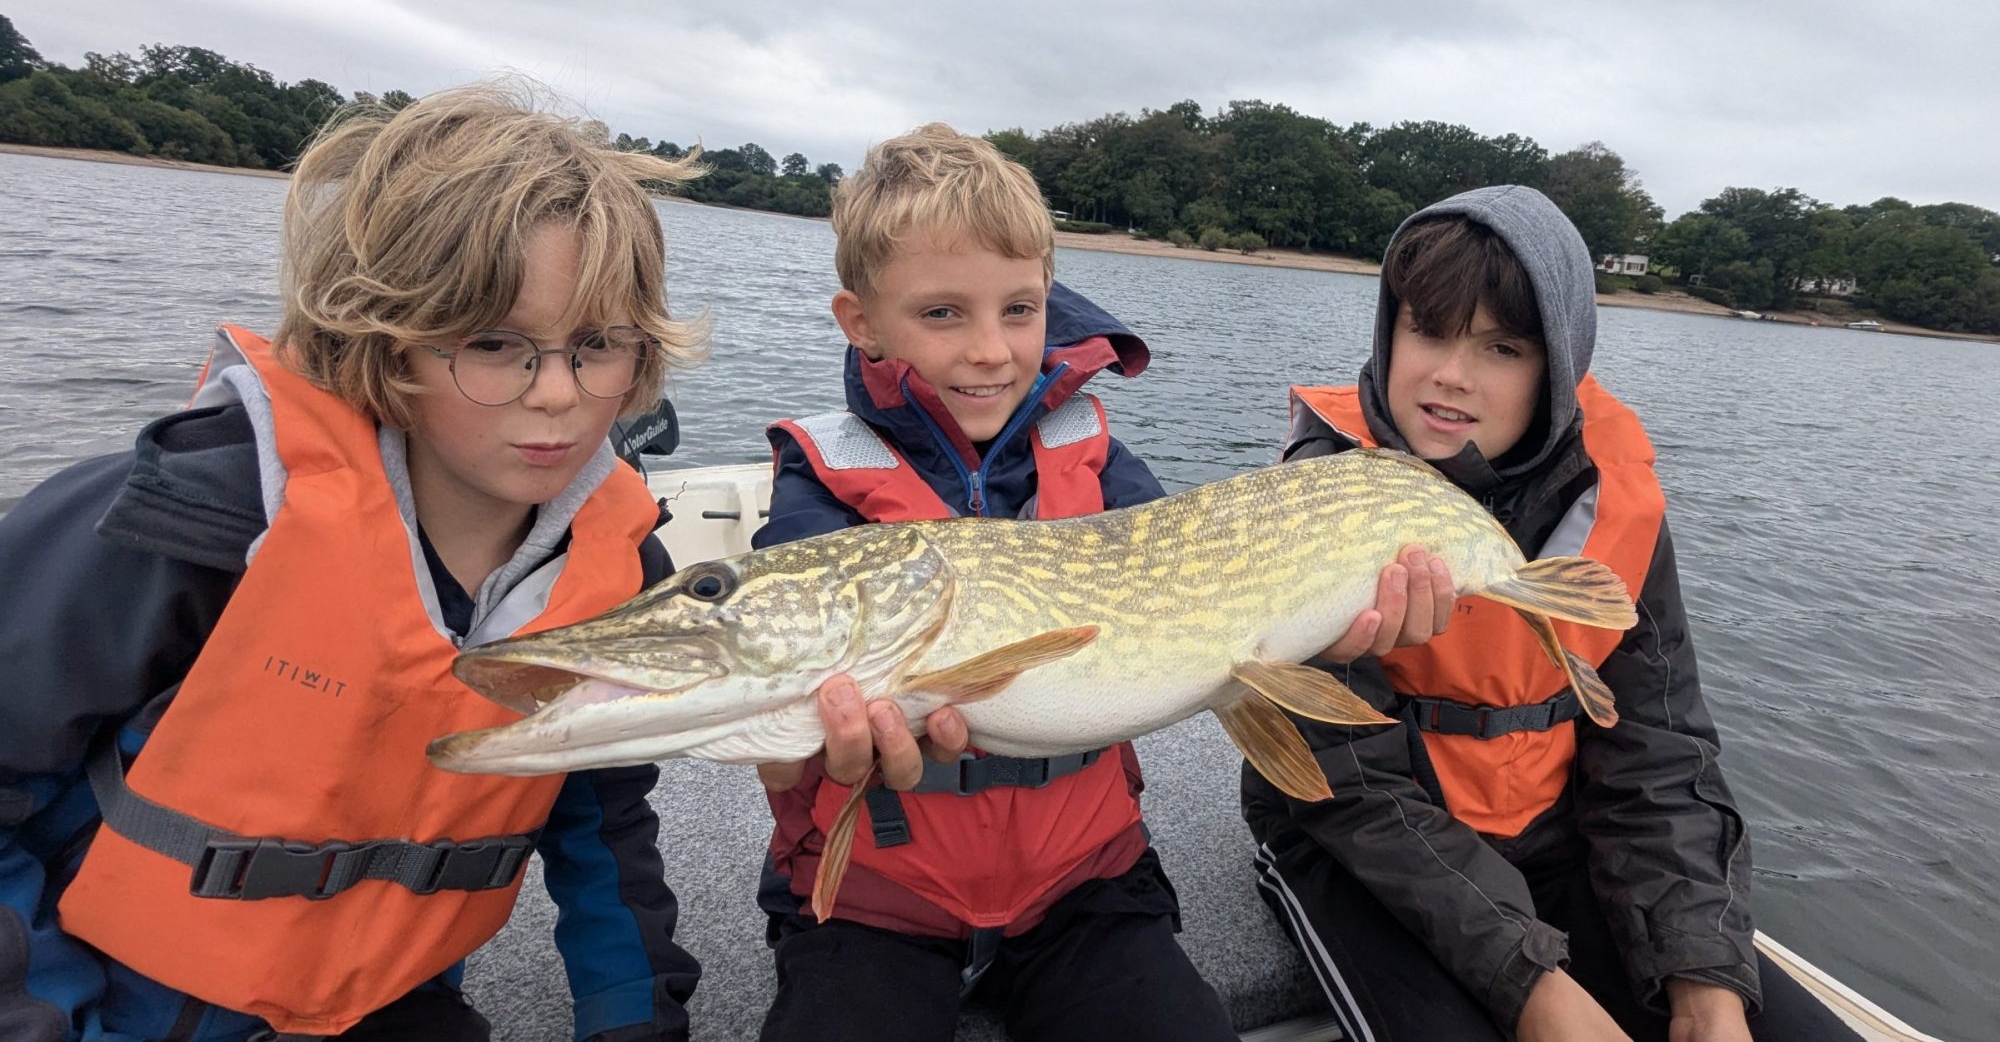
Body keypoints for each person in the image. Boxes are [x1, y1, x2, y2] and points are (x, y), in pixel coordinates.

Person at [0, 85, 708, 1041]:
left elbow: (603, 833)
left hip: (385, 1004)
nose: (557, 396)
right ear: (387, 332)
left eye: (597, 346)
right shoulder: (193, 516)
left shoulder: (619, 568)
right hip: (108, 1009)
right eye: (494, 345)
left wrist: (638, 1023)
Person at [1243, 186, 1863, 1042]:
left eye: (1500, 347)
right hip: (1361, 850)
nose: (1451, 375)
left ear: (1557, 365)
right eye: (1426, 330)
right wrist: (1533, 987)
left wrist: (1703, 976)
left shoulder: (1612, 500)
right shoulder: (1316, 492)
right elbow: (1348, 788)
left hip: (1555, 836)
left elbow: (1660, 750)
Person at [747, 122, 1248, 1042]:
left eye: (1019, 311)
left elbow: (1192, 586)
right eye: (943, 314)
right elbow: (787, 701)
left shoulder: (1093, 454)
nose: (991, 351)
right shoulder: (823, 473)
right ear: (861, 321)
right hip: (875, 894)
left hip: (1085, 881)